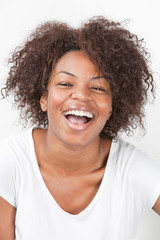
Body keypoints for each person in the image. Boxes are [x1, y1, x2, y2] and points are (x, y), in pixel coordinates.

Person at [0, 16, 160, 240]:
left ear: (112, 108)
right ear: (44, 98)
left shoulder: (132, 169)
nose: (82, 96)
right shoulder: (10, 164)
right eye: (66, 84)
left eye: (98, 87)